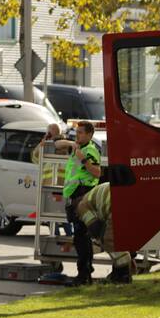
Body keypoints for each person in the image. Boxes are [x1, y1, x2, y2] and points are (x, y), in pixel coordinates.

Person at [57, 120, 101, 285]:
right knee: (80, 237)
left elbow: (97, 173)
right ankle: (85, 273)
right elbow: (57, 143)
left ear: (89, 135)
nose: (78, 135)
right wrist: (72, 143)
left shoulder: (89, 151)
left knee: (82, 238)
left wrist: (84, 160)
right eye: (77, 132)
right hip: (74, 197)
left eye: (81, 132)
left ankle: (84, 275)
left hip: (83, 196)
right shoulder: (77, 147)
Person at [75, 182, 133, 283]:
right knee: (121, 242)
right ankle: (121, 272)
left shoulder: (81, 207)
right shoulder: (91, 196)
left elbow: (95, 227)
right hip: (128, 199)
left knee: (110, 241)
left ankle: (123, 276)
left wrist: (99, 240)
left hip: (117, 205)